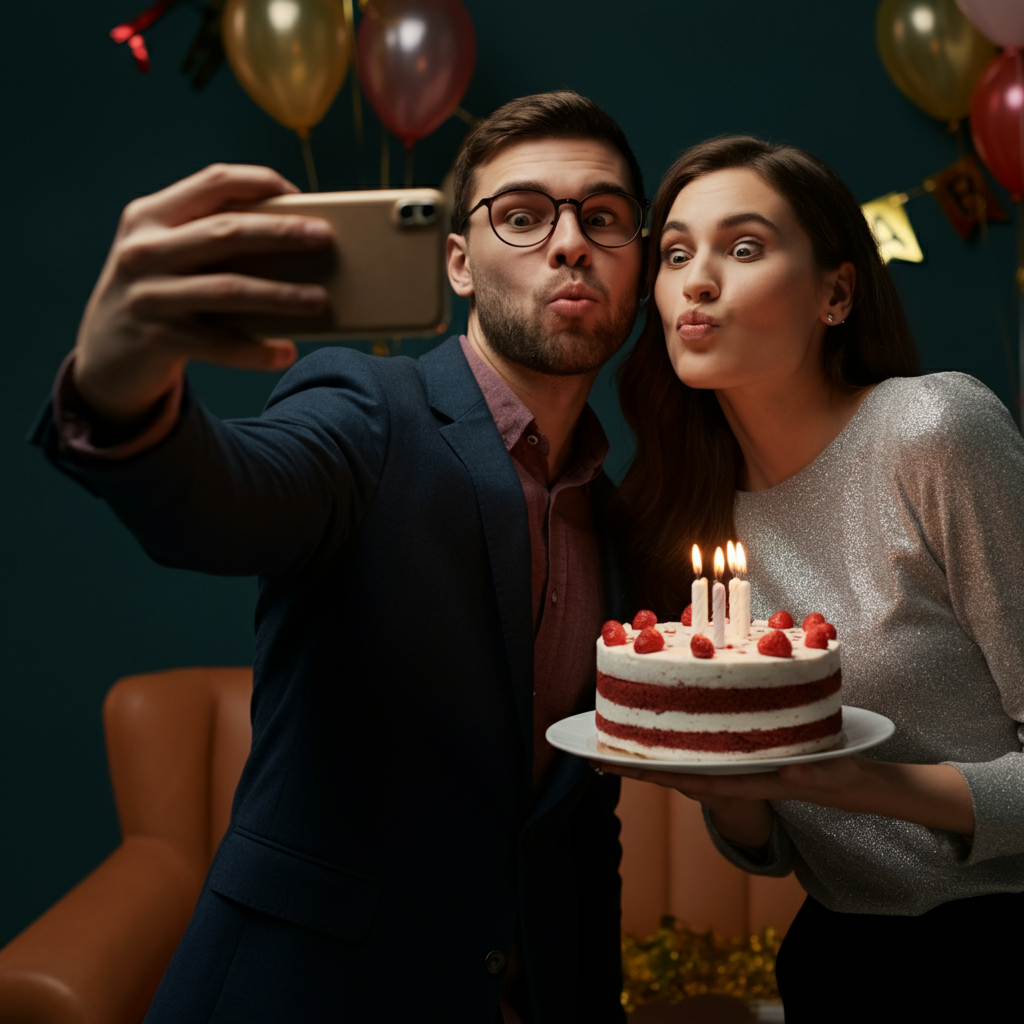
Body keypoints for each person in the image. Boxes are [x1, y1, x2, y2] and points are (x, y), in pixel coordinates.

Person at [32, 91, 647, 1024]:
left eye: (602, 219)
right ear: (459, 262)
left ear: (639, 266)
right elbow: (224, 500)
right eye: (521, 217)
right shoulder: (366, 409)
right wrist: (120, 387)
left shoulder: (612, 517)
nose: (569, 244)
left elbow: (573, 827)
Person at [601, 136, 1024, 1021]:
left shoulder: (933, 431)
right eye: (675, 254)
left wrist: (853, 781)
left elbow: (838, 795)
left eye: (743, 247)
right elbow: (775, 851)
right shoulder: (692, 519)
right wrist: (733, 792)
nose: (696, 281)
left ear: (835, 292)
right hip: (840, 959)